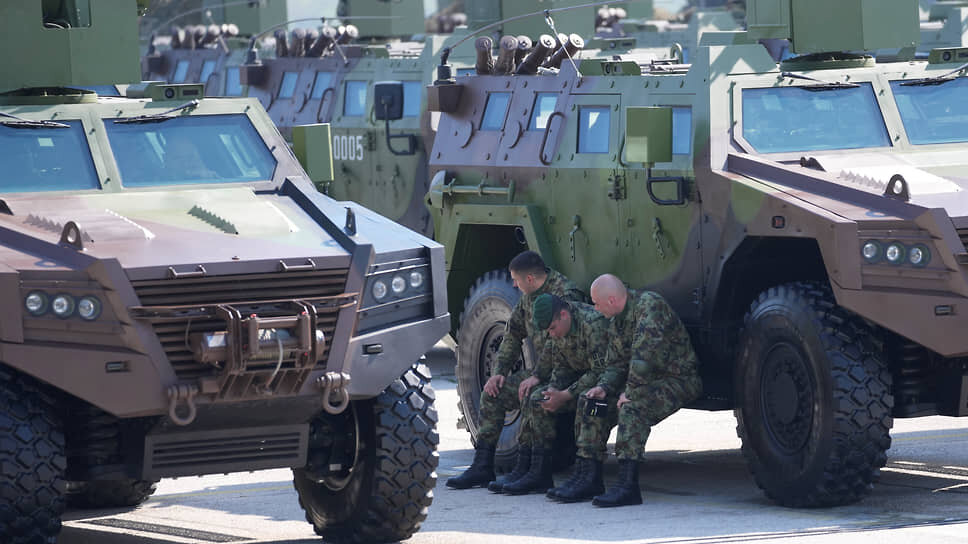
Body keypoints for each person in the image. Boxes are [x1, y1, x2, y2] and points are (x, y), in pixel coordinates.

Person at [446, 251, 585, 490]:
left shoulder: (564, 296)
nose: (513, 284)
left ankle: (534, 469)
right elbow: (512, 335)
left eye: (516, 280)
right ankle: (483, 466)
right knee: (494, 394)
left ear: (530, 279)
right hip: (540, 373)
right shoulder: (528, 296)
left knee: (534, 395)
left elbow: (559, 343)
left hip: (566, 372)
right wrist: (499, 372)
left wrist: (535, 377)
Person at [587, 274, 703, 508]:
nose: (594, 308)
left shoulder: (649, 305)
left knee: (632, 408)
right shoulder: (617, 320)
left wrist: (630, 392)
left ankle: (627, 486)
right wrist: (604, 387)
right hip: (645, 380)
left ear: (611, 300)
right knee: (591, 404)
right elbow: (617, 363)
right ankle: (588, 473)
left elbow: (644, 356)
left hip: (678, 379)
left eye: (596, 303)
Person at [499, 293, 609, 495]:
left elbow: (602, 372)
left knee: (590, 403)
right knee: (538, 398)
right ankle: (538, 471)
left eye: (552, 328)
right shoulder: (560, 330)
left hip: (607, 384)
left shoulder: (593, 325)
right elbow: (560, 365)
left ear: (564, 315)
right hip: (580, 381)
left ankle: (590, 476)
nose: (552, 335)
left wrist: (565, 395)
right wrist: (548, 386)